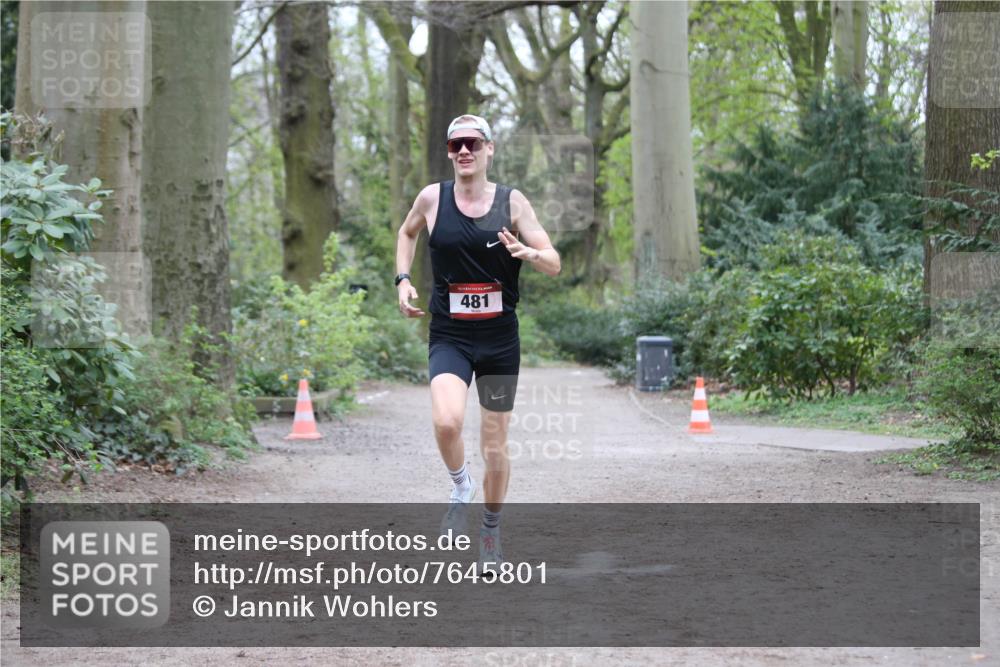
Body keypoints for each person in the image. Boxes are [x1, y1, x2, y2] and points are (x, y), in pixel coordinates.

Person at [394, 114, 561, 570]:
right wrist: (403, 279)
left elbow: (553, 261)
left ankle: (490, 531)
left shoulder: (512, 202)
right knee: (447, 422)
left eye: (472, 143)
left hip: (499, 339)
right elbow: (407, 233)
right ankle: (460, 484)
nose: (464, 151)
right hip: (449, 332)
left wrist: (532, 253)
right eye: (455, 146)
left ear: (489, 149)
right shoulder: (432, 198)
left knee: (494, 443)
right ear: (449, 153)